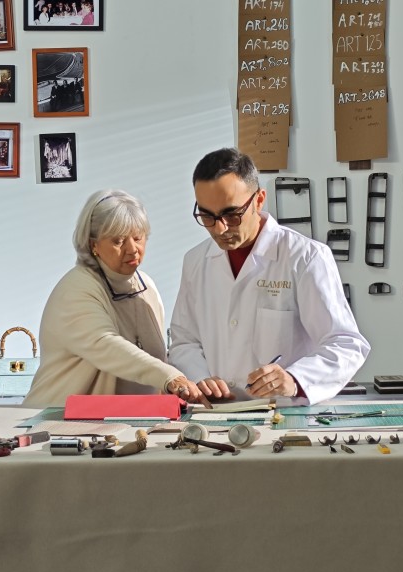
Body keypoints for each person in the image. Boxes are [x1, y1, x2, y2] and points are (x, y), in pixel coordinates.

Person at [169, 148, 370, 405]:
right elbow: (184, 341)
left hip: (282, 413)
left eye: (232, 215)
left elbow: (346, 343)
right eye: (207, 216)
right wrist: (200, 378)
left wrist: (294, 380)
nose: (220, 229)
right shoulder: (195, 261)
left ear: (259, 200)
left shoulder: (305, 257)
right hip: (216, 412)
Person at [24, 190, 207, 408]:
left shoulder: (146, 285)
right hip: (55, 418)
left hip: (126, 418)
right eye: (118, 241)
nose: (132, 249)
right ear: (93, 245)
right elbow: (106, 345)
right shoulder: (77, 288)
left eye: (138, 238)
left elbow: (157, 359)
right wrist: (170, 377)